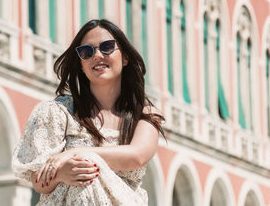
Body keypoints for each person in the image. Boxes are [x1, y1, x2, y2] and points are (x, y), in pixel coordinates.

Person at [12, 19, 165, 205]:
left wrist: (74, 153)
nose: (98, 55)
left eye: (107, 47)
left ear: (125, 57)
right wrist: (62, 173)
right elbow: (39, 182)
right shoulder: (58, 112)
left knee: (86, 161)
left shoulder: (145, 115)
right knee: (82, 172)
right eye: (87, 52)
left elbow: (137, 156)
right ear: (81, 65)